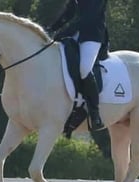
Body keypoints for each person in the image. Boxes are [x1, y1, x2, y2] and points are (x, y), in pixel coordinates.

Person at [48, 0, 108, 130]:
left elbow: (89, 16)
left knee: (84, 69)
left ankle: (95, 113)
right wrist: (52, 28)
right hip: (77, 33)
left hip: (92, 35)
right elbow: (70, 11)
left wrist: (66, 32)